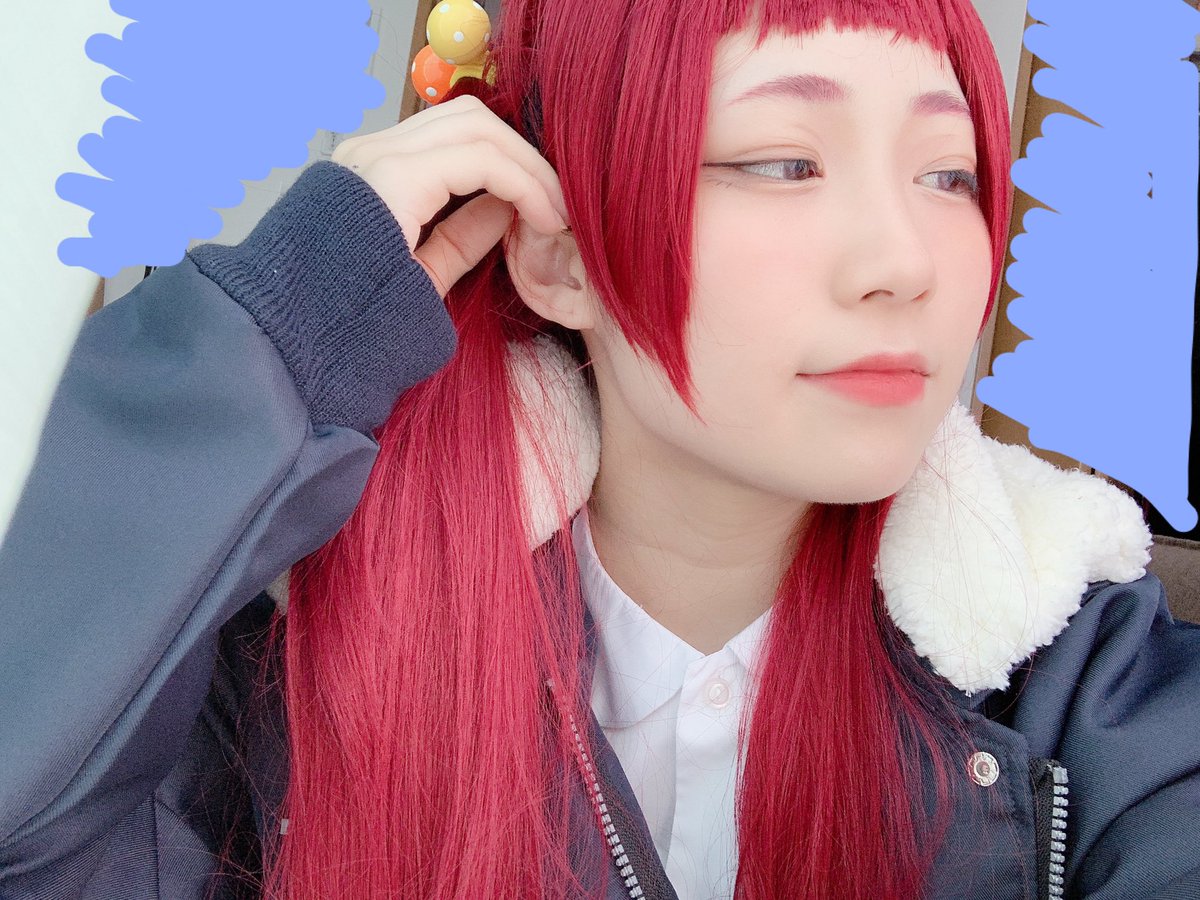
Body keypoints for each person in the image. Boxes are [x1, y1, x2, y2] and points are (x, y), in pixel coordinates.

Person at [1, 0, 1198, 897]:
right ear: (559, 256)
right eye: (786, 161)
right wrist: (288, 327)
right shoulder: (290, 677)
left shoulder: (1085, 689)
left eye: (951, 174)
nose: (905, 263)